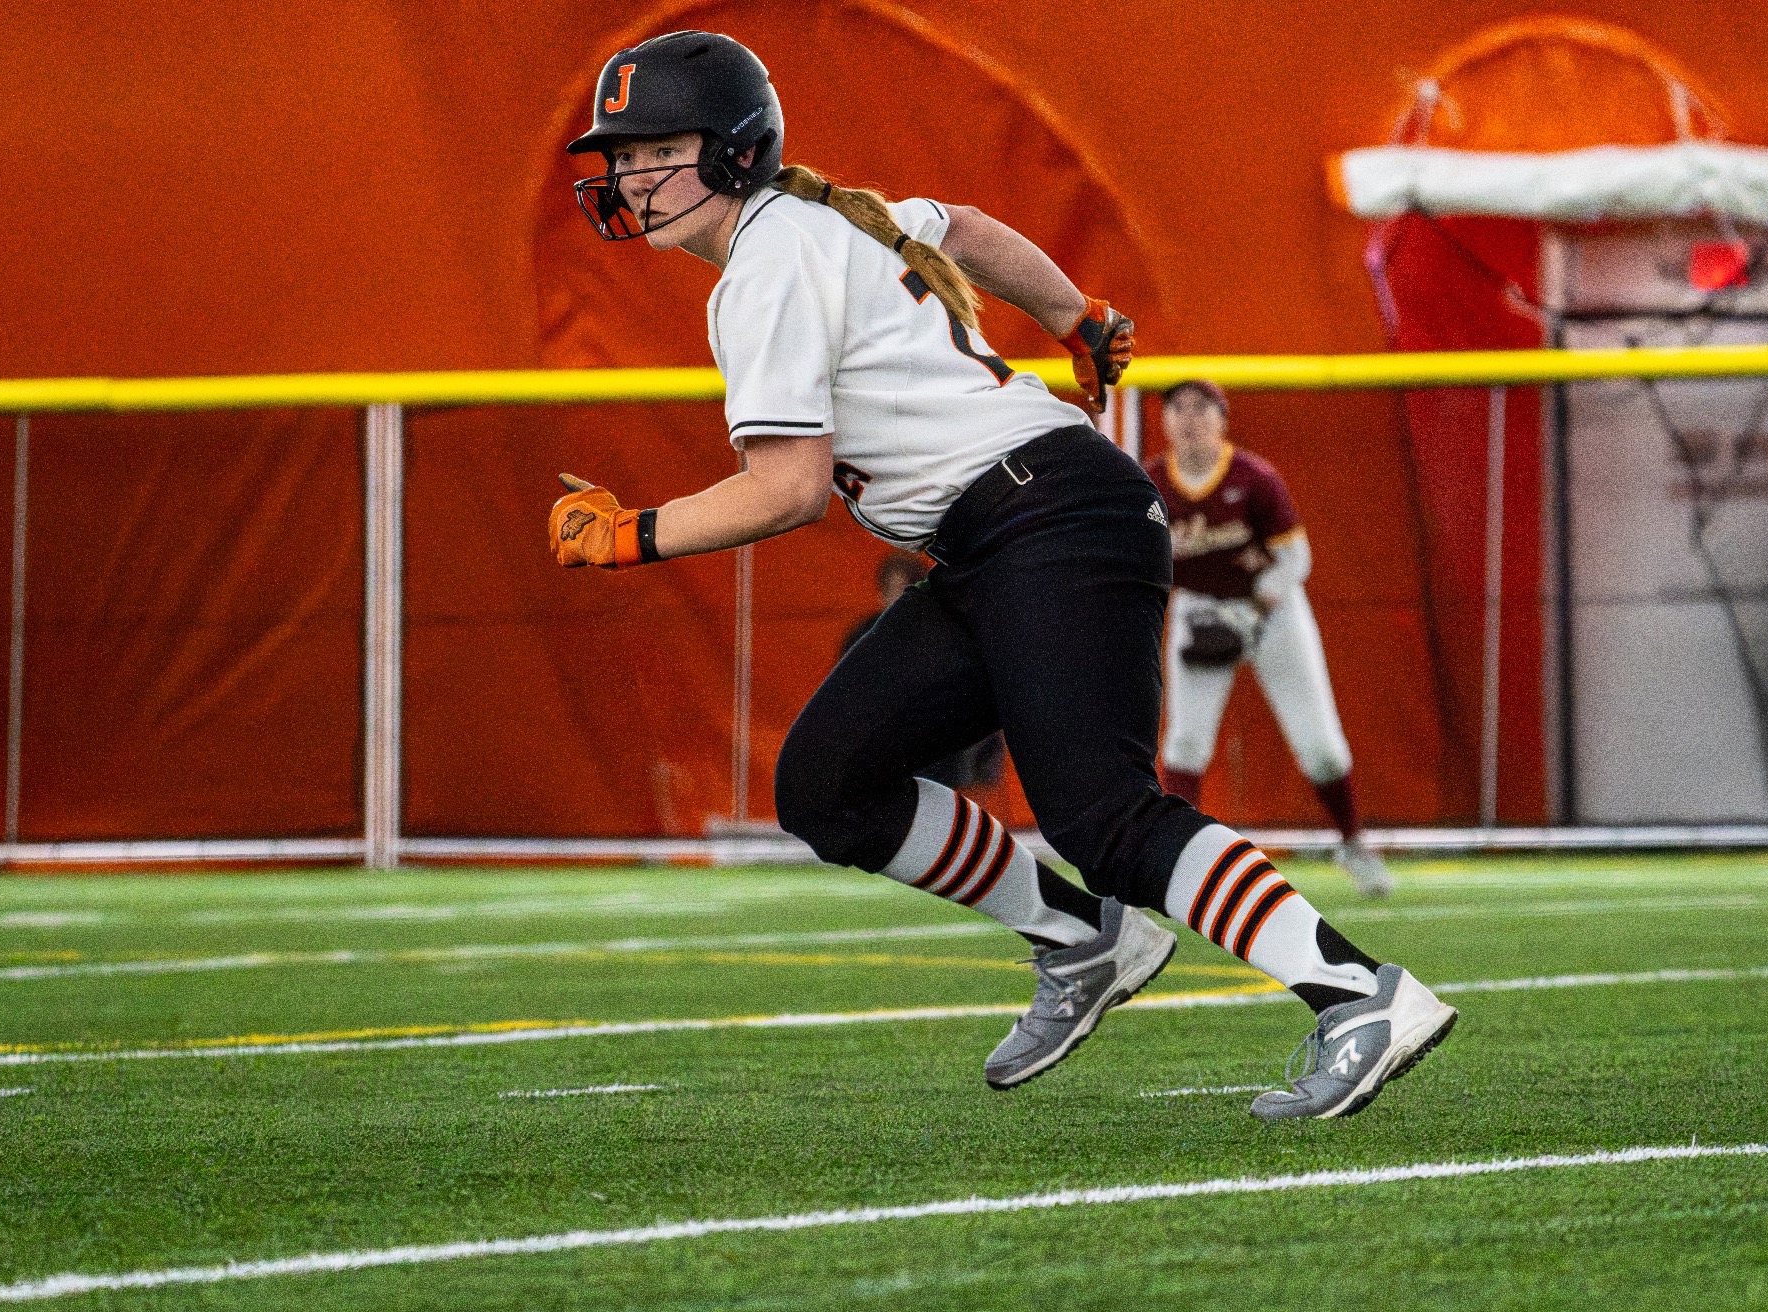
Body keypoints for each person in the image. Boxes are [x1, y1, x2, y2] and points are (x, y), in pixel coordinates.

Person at [549, 30, 1453, 1118]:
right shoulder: (827, 219)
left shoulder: (765, 263)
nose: (630, 174)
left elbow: (787, 487)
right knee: (827, 781)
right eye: (623, 154)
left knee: (1103, 816)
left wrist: (631, 534)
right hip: (1011, 527)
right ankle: (1081, 939)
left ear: (735, 150)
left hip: (1045, 516)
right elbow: (968, 230)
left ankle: (1358, 990)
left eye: (657, 148)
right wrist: (1073, 315)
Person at [1144, 380, 1396, 898]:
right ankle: (1177, 858)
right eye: (1177, 407)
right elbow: (1143, 561)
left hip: (1271, 612)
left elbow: (1297, 559)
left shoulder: (1253, 478)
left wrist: (1258, 601)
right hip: (1200, 609)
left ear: (1223, 419)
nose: (1188, 418)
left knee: (1320, 747)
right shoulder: (1149, 484)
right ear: (1164, 420)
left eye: (1200, 408)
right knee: (1186, 743)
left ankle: (1352, 842)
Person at [842, 553, 1006, 793]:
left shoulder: (942, 630)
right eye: (892, 591)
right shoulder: (864, 636)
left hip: (938, 742)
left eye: (904, 591)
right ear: (881, 594)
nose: (896, 600)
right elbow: (849, 693)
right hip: (886, 739)